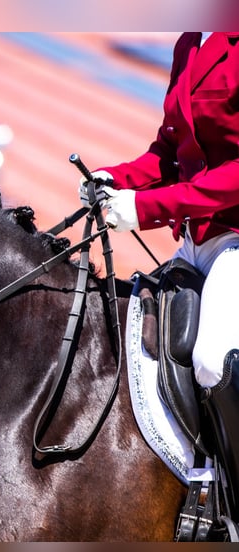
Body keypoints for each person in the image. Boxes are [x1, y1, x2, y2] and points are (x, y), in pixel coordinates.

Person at [79, 32, 239, 517]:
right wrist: (116, 179)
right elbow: (169, 153)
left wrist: (145, 206)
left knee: (213, 359)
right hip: (197, 239)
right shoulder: (190, 41)